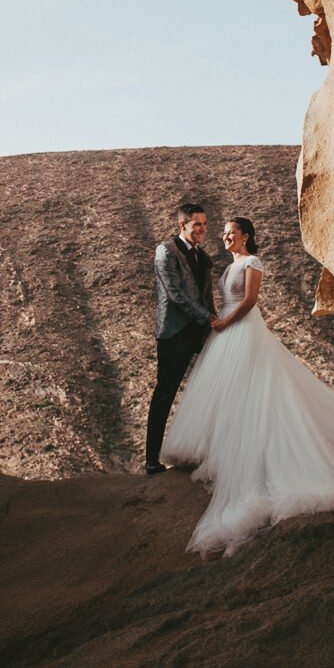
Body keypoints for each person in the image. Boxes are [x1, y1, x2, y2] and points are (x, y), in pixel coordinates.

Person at [161, 217, 334, 556]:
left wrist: (224, 322)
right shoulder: (227, 267)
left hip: (242, 330)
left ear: (246, 236)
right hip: (225, 335)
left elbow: (250, 300)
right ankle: (222, 449)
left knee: (258, 389)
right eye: (223, 232)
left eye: (231, 232)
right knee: (232, 393)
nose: (225, 236)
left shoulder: (253, 262)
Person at [145, 203, 216, 475]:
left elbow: (205, 294)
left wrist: (214, 321)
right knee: (165, 393)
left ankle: (205, 450)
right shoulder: (166, 251)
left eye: (205, 224)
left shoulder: (202, 255)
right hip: (174, 334)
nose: (202, 229)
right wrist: (208, 318)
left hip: (202, 333)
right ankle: (152, 458)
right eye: (197, 224)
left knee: (211, 389)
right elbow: (174, 293)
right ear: (182, 225)